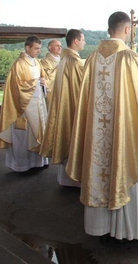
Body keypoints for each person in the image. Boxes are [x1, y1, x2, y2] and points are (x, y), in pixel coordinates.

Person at [66, 11, 138, 242]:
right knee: (123, 168)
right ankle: (127, 231)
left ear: (109, 28)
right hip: (123, 135)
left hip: (97, 138)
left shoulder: (91, 59)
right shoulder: (130, 59)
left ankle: (99, 228)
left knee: (99, 169)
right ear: (127, 30)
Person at [39, 29, 86, 186]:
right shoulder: (76, 62)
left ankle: (65, 178)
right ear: (75, 41)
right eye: (83, 39)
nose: (85, 42)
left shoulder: (64, 59)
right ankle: (74, 178)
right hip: (74, 107)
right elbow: (86, 87)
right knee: (74, 136)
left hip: (65, 106)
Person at [0, 35, 49, 172]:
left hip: (38, 104)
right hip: (24, 108)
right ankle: (22, 165)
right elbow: (17, 86)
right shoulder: (19, 64)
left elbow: (44, 78)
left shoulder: (37, 63)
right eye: (36, 48)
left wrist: (43, 82)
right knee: (24, 136)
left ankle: (38, 162)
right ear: (27, 47)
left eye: (39, 48)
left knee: (38, 132)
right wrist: (37, 83)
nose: (38, 51)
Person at [40, 39, 62, 105]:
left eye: (60, 46)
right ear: (50, 47)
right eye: (57, 46)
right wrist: (61, 66)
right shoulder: (44, 61)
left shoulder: (62, 59)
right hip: (52, 91)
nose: (60, 47)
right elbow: (49, 76)